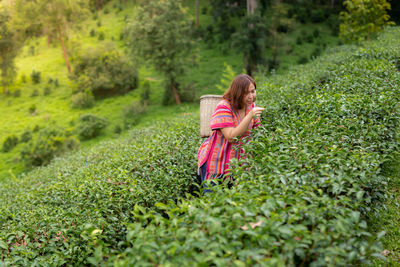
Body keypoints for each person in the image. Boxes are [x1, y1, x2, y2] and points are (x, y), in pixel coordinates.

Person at [197, 74, 264, 191]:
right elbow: (231, 137)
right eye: (246, 93)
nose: (251, 96)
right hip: (217, 164)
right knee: (212, 203)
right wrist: (249, 116)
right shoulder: (224, 107)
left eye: (253, 91)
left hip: (237, 167)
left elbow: (257, 133)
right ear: (237, 93)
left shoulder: (251, 106)